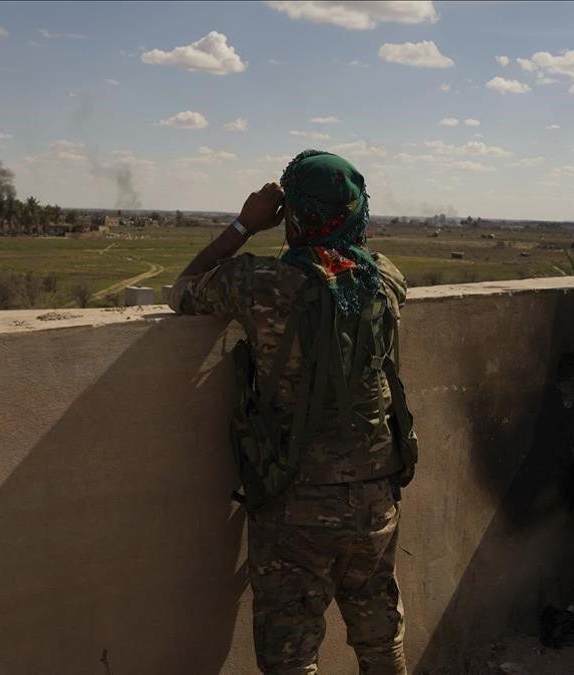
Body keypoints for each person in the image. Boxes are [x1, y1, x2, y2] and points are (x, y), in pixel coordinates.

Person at [169, 150, 419, 674]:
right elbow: (356, 260)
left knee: (292, 657)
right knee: (380, 641)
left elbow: (184, 290)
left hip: (294, 503)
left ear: (294, 214)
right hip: (376, 496)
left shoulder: (260, 283)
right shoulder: (384, 280)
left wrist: (246, 223)